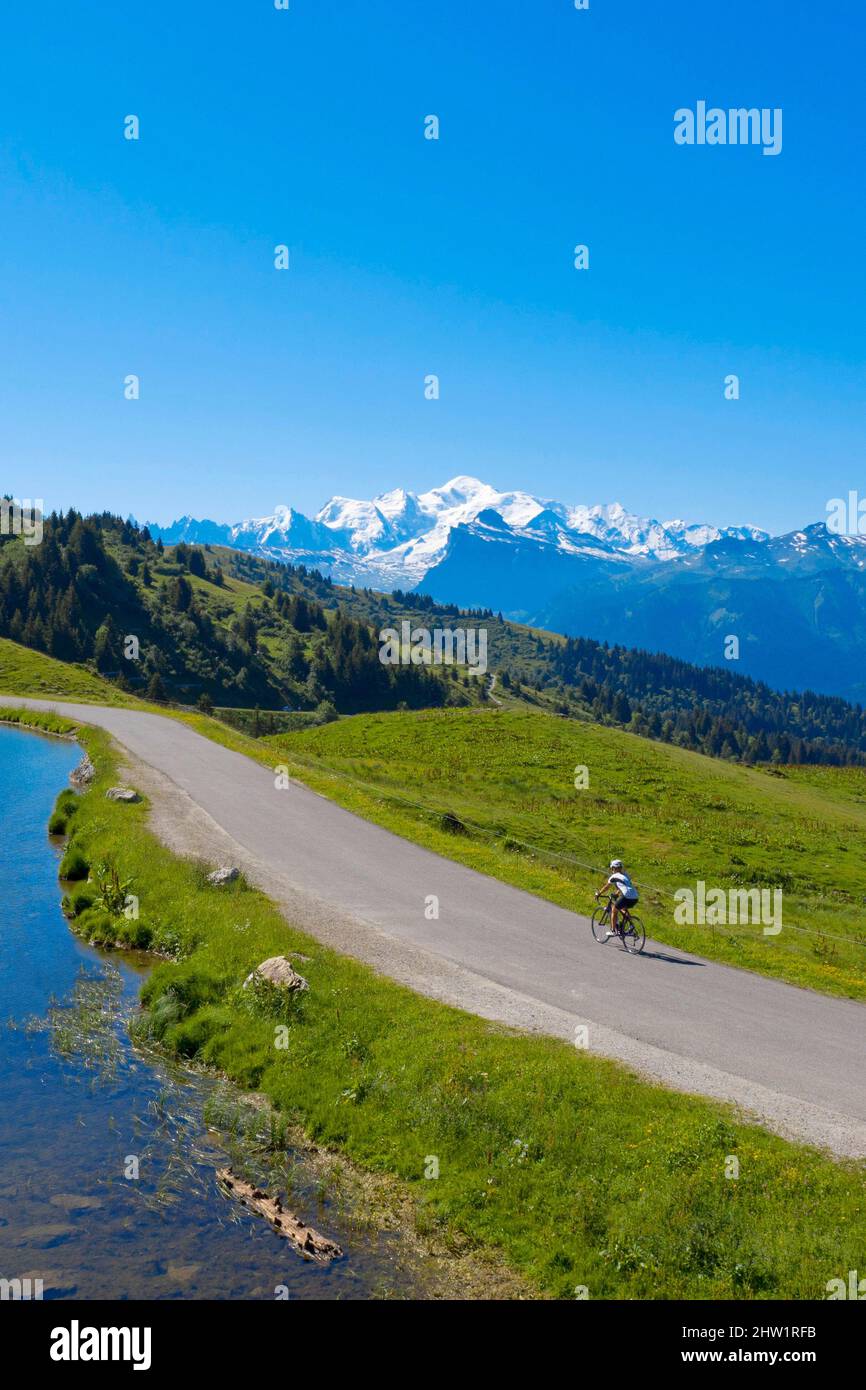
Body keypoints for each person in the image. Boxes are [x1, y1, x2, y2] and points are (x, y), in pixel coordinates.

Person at [595, 859, 639, 936]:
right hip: (635, 897)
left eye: (612, 868)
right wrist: (617, 894)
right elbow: (623, 886)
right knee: (622, 908)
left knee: (614, 909)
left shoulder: (614, 876)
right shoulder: (626, 875)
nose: (612, 870)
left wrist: (599, 893)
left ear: (613, 868)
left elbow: (607, 887)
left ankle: (613, 931)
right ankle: (631, 925)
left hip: (627, 896)